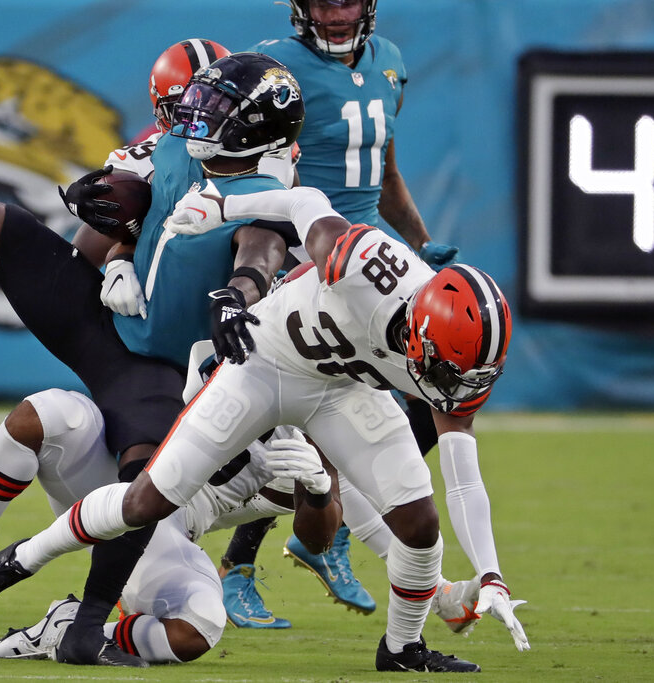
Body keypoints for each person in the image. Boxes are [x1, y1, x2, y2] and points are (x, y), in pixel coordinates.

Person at [0, 52, 307, 667]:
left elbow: (261, 247)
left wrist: (241, 292)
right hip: (108, 320)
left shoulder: (275, 197)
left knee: (144, 483)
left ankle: (87, 622)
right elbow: (139, 215)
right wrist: (120, 252)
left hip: (159, 372)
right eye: (195, 104)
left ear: (257, 128)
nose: (193, 117)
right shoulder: (174, 148)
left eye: (214, 110)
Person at [0, 181, 531, 672]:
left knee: (419, 523)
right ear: (421, 331)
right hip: (267, 362)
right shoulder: (364, 262)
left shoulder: (458, 361)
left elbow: (462, 478)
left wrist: (491, 575)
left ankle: (402, 649)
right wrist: (223, 209)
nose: (455, 386)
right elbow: (303, 202)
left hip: (342, 389)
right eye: (447, 369)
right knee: (145, 499)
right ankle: (16, 561)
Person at [218, 0, 464, 625]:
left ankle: (333, 527)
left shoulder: (391, 64)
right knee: (300, 420)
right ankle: (243, 562)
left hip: (373, 254)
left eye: (347, 0)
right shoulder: (277, 65)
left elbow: (384, 168)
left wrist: (417, 240)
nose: (336, 13)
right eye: (323, 1)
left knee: (443, 381)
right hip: (304, 250)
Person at [0, 342, 341, 664]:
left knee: (200, 625)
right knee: (50, 413)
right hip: (119, 468)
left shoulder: (332, 429)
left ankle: (68, 628)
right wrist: (118, 260)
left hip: (164, 528)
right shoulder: (245, 332)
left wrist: (318, 486)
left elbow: (319, 538)